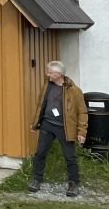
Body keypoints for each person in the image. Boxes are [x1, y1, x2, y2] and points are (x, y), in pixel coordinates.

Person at [28, 62, 87, 197]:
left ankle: (73, 183)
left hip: (64, 128)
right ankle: (36, 179)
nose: (47, 74)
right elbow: (40, 104)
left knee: (70, 156)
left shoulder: (74, 90)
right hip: (47, 124)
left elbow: (83, 112)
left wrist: (82, 131)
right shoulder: (47, 85)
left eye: (50, 72)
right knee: (40, 153)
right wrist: (35, 122)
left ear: (59, 74)